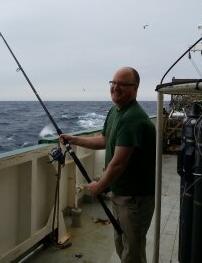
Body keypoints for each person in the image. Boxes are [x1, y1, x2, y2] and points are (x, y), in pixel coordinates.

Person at [60, 67, 156, 263]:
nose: (116, 87)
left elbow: (118, 164)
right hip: (120, 193)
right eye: (113, 83)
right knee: (122, 242)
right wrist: (74, 139)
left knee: (133, 250)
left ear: (135, 89)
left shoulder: (132, 119)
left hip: (134, 198)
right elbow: (104, 140)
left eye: (123, 84)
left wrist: (99, 186)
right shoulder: (115, 111)